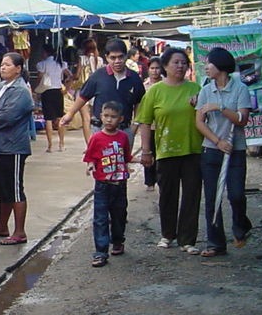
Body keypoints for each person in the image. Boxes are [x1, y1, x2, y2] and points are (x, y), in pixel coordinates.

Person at [136, 47, 204, 254]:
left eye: (184, 62)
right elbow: (145, 122)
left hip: (193, 149)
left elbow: (207, 117)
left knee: (192, 194)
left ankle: (188, 239)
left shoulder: (196, 88)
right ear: (165, 66)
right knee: (167, 194)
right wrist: (146, 151)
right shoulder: (155, 91)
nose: (180, 66)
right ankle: (167, 234)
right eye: (176, 62)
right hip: (165, 150)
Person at [194, 47, 252, 257]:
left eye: (208, 64)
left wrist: (219, 108)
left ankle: (241, 225)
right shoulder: (205, 90)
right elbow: (199, 122)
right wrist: (217, 141)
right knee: (212, 198)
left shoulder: (240, 90)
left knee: (236, 194)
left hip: (235, 150)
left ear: (220, 66)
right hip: (212, 149)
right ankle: (215, 243)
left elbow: (242, 119)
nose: (206, 68)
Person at [0, 52, 35, 246]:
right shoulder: (1, 86)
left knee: (14, 189)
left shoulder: (20, 91)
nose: (3, 68)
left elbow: (7, 117)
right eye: (2, 64)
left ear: (18, 69)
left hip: (13, 147)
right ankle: (2, 226)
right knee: (3, 188)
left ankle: (20, 231)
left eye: (7, 65)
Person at [60, 38, 145, 150]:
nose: (117, 61)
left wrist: (136, 124)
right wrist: (70, 114)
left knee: (122, 164)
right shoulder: (98, 76)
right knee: (98, 164)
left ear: (126, 56)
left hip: (124, 130)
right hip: (100, 130)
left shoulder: (134, 78)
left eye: (120, 57)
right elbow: (83, 96)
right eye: (113, 58)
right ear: (106, 57)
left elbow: (139, 102)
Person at [83, 101, 132, 267]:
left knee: (119, 215)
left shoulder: (123, 137)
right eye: (106, 116)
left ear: (121, 119)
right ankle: (101, 252)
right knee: (100, 218)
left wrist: (138, 161)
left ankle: (118, 240)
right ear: (100, 117)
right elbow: (90, 157)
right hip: (102, 184)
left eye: (113, 117)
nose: (109, 120)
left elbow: (126, 157)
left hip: (119, 183)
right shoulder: (96, 138)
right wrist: (90, 166)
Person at [36, 43, 70, 153]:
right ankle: (62, 144)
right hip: (58, 91)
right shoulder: (61, 63)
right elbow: (70, 75)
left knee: (48, 119)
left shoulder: (42, 64)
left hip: (47, 91)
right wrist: (66, 86)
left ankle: (50, 146)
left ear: (45, 52)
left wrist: (36, 88)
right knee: (60, 118)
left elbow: (39, 78)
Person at [141, 56, 163, 191]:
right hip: (148, 125)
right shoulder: (144, 86)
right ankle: (149, 182)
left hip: (162, 125)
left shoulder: (166, 85)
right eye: (152, 68)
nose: (155, 71)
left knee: (160, 156)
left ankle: (161, 180)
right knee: (148, 151)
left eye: (157, 68)